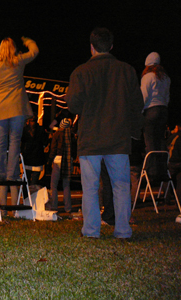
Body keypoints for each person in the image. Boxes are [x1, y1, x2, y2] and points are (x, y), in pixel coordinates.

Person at [66, 27, 144, 239]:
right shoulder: (127, 70)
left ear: (91, 47)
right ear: (111, 46)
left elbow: (73, 104)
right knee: (120, 186)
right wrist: (135, 132)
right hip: (118, 138)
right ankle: (123, 230)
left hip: (91, 138)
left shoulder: (81, 72)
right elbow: (138, 104)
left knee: (90, 188)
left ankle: (91, 231)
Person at [0, 36, 38, 209]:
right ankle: (12, 173)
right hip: (16, 108)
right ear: (13, 48)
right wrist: (28, 41)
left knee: (0, 141)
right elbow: (35, 51)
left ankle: (0, 172)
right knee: (15, 140)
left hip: (0, 107)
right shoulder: (18, 61)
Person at [141, 52, 171, 152]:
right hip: (163, 110)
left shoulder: (148, 76)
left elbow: (144, 96)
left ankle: (152, 166)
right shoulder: (166, 78)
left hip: (151, 110)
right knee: (161, 139)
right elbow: (167, 97)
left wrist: (140, 111)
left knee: (150, 141)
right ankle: (162, 165)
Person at [47, 118, 77, 213]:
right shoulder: (71, 136)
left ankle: (54, 206)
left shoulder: (57, 134)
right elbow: (74, 151)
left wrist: (49, 160)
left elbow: (53, 148)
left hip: (58, 160)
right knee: (66, 185)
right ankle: (68, 207)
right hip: (68, 161)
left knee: (54, 184)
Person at [21, 115, 48, 186]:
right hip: (38, 157)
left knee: (26, 180)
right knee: (35, 182)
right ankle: (33, 195)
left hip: (27, 157)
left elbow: (22, 142)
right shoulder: (41, 129)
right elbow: (45, 141)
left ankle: (26, 195)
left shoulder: (24, 130)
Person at [168, 122, 181, 204]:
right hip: (178, 161)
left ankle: (167, 197)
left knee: (168, 179)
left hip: (172, 161)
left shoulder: (174, 137)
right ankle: (179, 200)